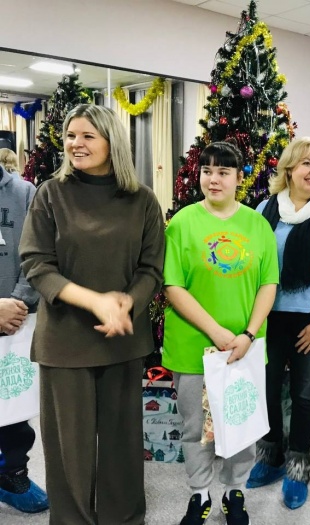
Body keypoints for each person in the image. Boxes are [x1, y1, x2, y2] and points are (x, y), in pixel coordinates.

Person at [19, 104, 164, 524]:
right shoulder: (51, 193)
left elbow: (151, 268)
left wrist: (126, 303)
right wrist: (95, 301)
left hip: (122, 339)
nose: (75, 144)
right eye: (70, 135)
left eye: (87, 136)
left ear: (110, 141)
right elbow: (36, 263)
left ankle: (124, 518)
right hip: (65, 342)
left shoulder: (142, 200)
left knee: (122, 446)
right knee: (70, 452)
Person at [162, 141, 278, 525]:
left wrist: (248, 333)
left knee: (242, 425)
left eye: (223, 172)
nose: (214, 179)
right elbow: (173, 286)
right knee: (195, 428)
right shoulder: (182, 223)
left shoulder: (257, 225)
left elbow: (268, 284)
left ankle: (234, 491)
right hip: (193, 346)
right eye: (207, 171)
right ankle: (199, 494)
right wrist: (215, 331)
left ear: (239, 177)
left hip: (244, 349)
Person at [246, 137, 310, 510]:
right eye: (307, 163)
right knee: (268, 388)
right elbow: (253, 265)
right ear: (289, 168)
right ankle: (271, 456)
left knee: (304, 395)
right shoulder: (265, 209)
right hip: (269, 315)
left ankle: (297, 469)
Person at [0, 161, 48, 514]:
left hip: (16, 321)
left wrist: (16, 303)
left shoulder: (24, 193)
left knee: (14, 407)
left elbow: (38, 256)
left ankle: (12, 476)